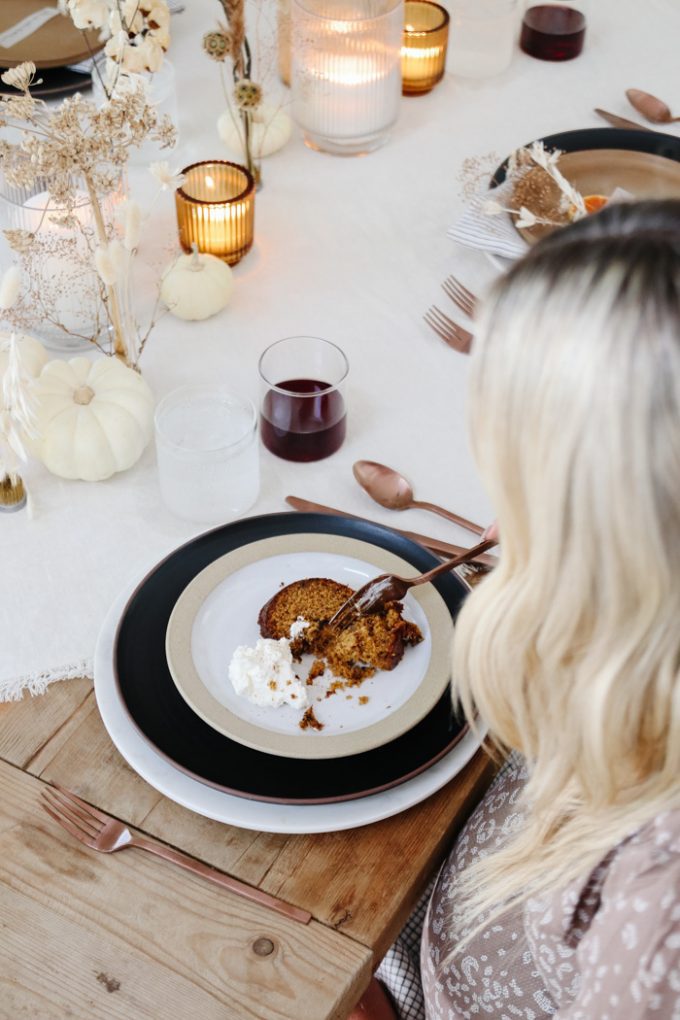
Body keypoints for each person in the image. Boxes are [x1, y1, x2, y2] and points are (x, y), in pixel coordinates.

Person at [353, 199, 680, 1019]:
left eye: (526, 490)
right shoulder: (635, 655)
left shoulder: (659, 933)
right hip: (446, 906)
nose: (495, 527)